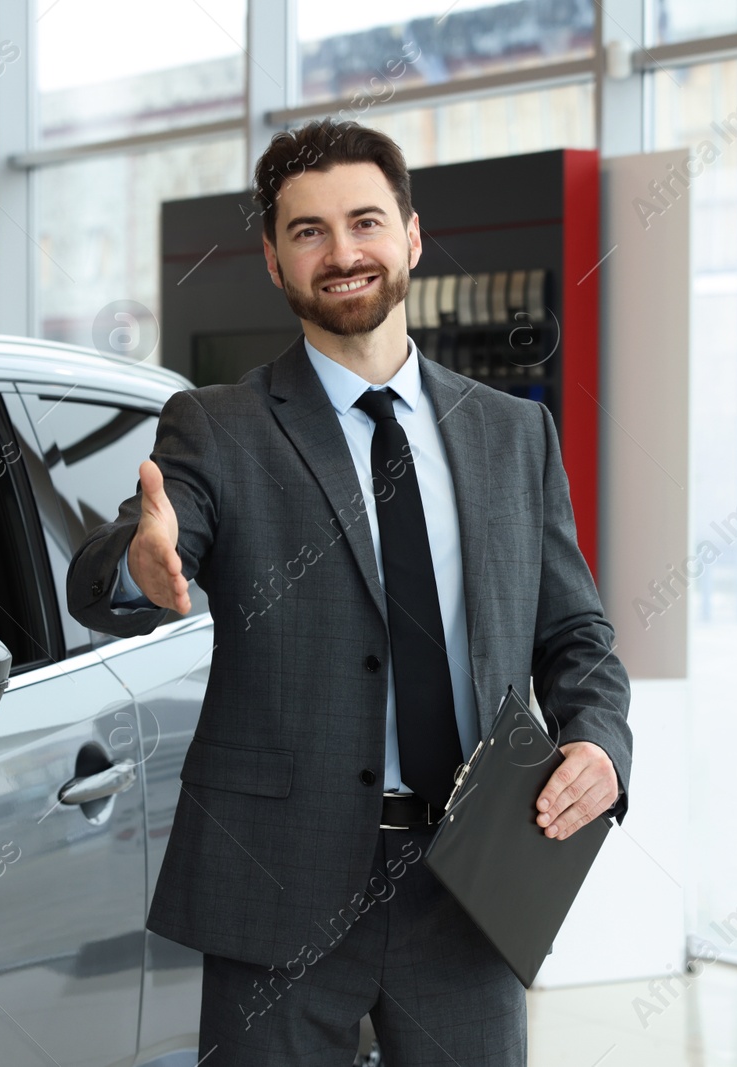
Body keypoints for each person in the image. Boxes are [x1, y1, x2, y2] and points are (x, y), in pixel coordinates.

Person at [66, 117, 631, 1066]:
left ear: (411, 236)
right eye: (308, 231)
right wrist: (140, 561)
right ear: (276, 261)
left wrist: (601, 741)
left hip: (470, 883)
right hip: (279, 882)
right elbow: (130, 555)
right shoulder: (219, 426)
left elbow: (576, 633)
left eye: (365, 222)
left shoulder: (510, 434)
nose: (342, 253)